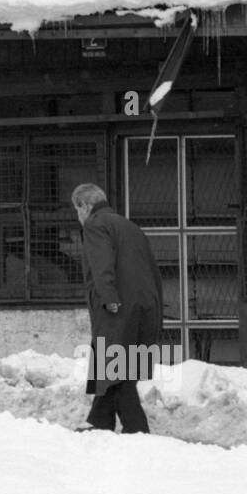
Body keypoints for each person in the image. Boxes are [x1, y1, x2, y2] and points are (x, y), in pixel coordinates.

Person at [71, 183, 163, 433]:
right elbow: (152, 270)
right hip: (145, 307)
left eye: (76, 210)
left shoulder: (95, 224)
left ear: (84, 206)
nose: (78, 217)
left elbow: (102, 264)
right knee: (119, 366)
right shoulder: (130, 226)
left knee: (115, 369)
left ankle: (137, 429)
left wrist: (109, 297)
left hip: (117, 307)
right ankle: (99, 423)